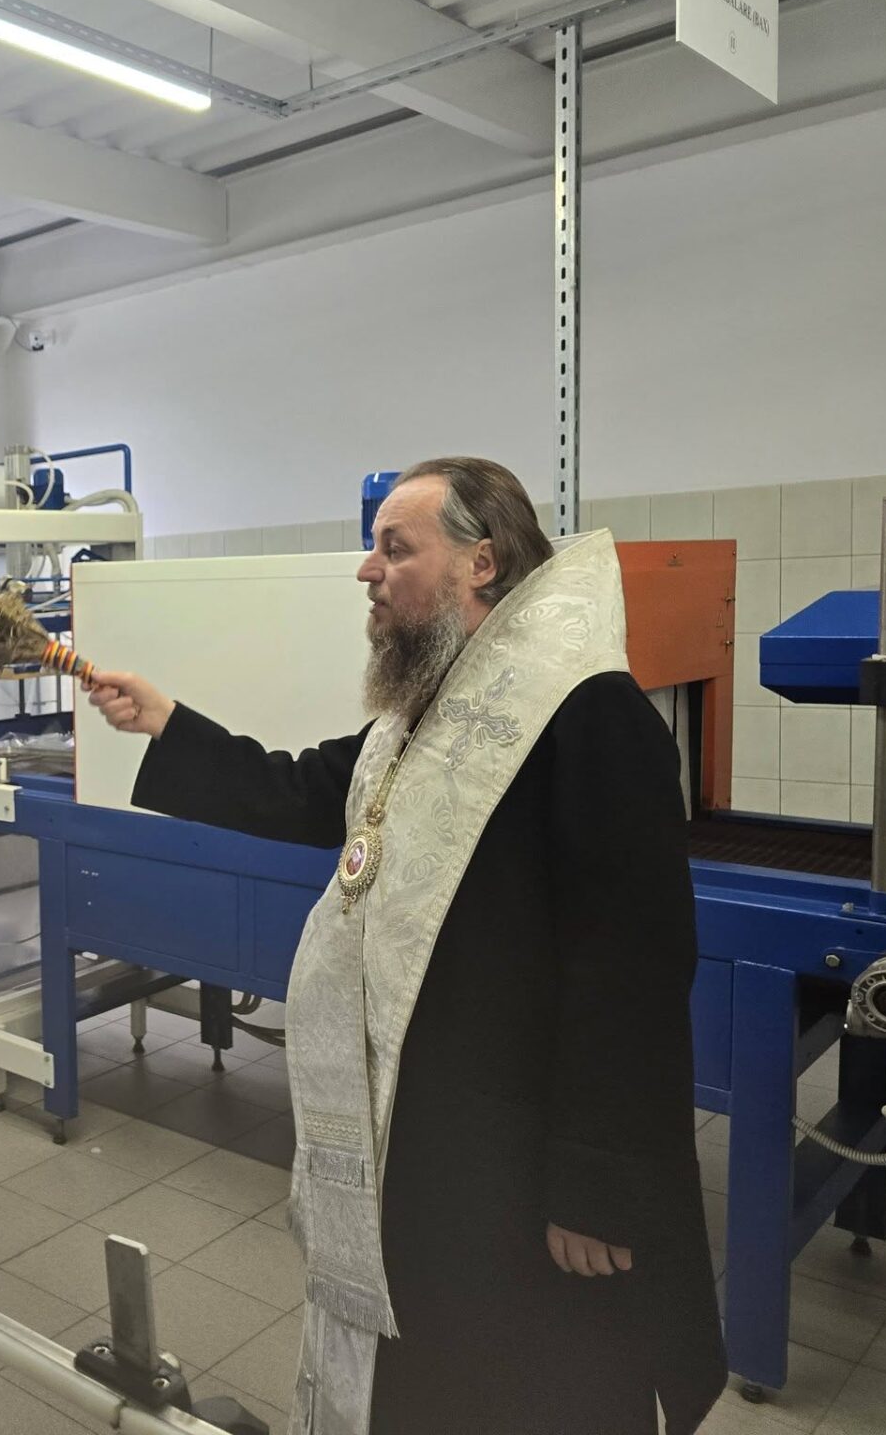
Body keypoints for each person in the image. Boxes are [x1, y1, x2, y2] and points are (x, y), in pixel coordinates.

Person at [89, 458, 726, 1435]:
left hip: (524, 1163)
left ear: (481, 562)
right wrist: (167, 724)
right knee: (431, 1371)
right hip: (428, 1143)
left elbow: (632, 969)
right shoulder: (425, 717)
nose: (366, 570)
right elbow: (306, 790)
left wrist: (596, 1183)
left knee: (541, 1382)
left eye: (395, 548)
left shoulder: (592, 717)